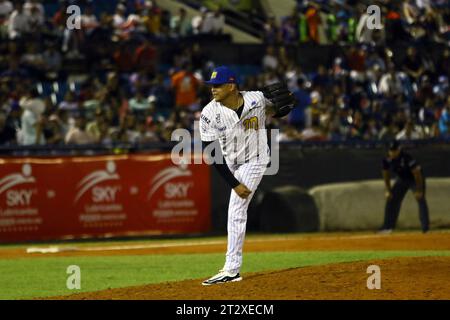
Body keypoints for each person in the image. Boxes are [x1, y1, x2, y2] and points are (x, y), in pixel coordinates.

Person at [199, 66, 294, 285]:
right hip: (230, 161)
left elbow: (280, 106)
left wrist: (286, 105)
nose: (213, 89)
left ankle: (231, 270)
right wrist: (233, 183)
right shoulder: (208, 113)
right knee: (236, 202)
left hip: (256, 159)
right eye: (211, 86)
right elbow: (212, 154)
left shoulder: (257, 100)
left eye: (218, 85)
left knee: (236, 209)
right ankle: (231, 269)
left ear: (231, 86)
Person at [379, 140, 429, 234]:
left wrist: (419, 190)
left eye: (394, 150)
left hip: (414, 179)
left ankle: (425, 228)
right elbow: (386, 174)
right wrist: (388, 190)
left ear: (399, 149)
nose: (392, 153)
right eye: (391, 150)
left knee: (420, 199)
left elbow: (417, 174)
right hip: (402, 179)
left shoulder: (406, 158)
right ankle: (387, 227)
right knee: (391, 199)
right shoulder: (387, 159)